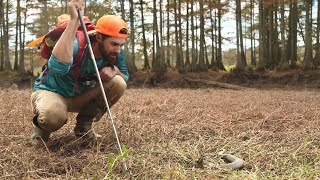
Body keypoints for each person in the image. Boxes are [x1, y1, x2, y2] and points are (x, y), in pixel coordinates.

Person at [30, 0, 129, 145]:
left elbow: (125, 76)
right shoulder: (76, 44)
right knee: (53, 116)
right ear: (99, 37)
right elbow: (58, 69)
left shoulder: (115, 53)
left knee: (119, 83)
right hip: (52, 92)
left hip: (79, 96)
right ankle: (40, 133)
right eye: (114, 44)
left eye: (121, 45)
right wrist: (74, 22)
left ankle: (84, 127)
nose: (118, 50)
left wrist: (114, 70)